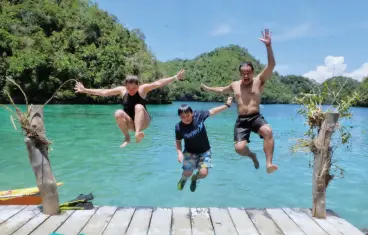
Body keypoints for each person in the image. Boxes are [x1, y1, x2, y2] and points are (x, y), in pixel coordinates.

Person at [200, 28, 278, 174]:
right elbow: (222, 89)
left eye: (249, 73)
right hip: (241, 120)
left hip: (255, 117)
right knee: (239, 149)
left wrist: (268, 46)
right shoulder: (235, 85)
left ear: (253, 72)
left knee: (268, 131)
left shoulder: (259, 81)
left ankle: (269, 163)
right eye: (243, 73)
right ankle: (252, 156)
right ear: (240, 73)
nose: (246, 76)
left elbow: (271, 65)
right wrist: (208, 88)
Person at [74, 69, 185, 147]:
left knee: (138, 106)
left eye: (134, 88)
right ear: (125, 86)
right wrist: (85, 90)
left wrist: (175, 77)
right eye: (129, 88)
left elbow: (158, 83)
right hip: (130, 123)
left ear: (138, 85)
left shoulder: (142, 89)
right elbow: (104, 92)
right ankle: (127, 138)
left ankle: (137, 133)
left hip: (144, 122)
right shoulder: (122, 90)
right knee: (118, 113)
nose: (131, 91)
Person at [175, 97, 233, 192]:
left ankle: (194, 179)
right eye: (183, 117)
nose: (186, 119)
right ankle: (184, 179)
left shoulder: (199, 115)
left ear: (192, 113)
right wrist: (179, 153)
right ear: (180, 117)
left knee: (203, 173)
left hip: (205, 151)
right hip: (190, 152)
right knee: (187, 172)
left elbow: (213, 111)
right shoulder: (179, 127)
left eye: (188, 115)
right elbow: (178, 141)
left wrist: (226, 105)